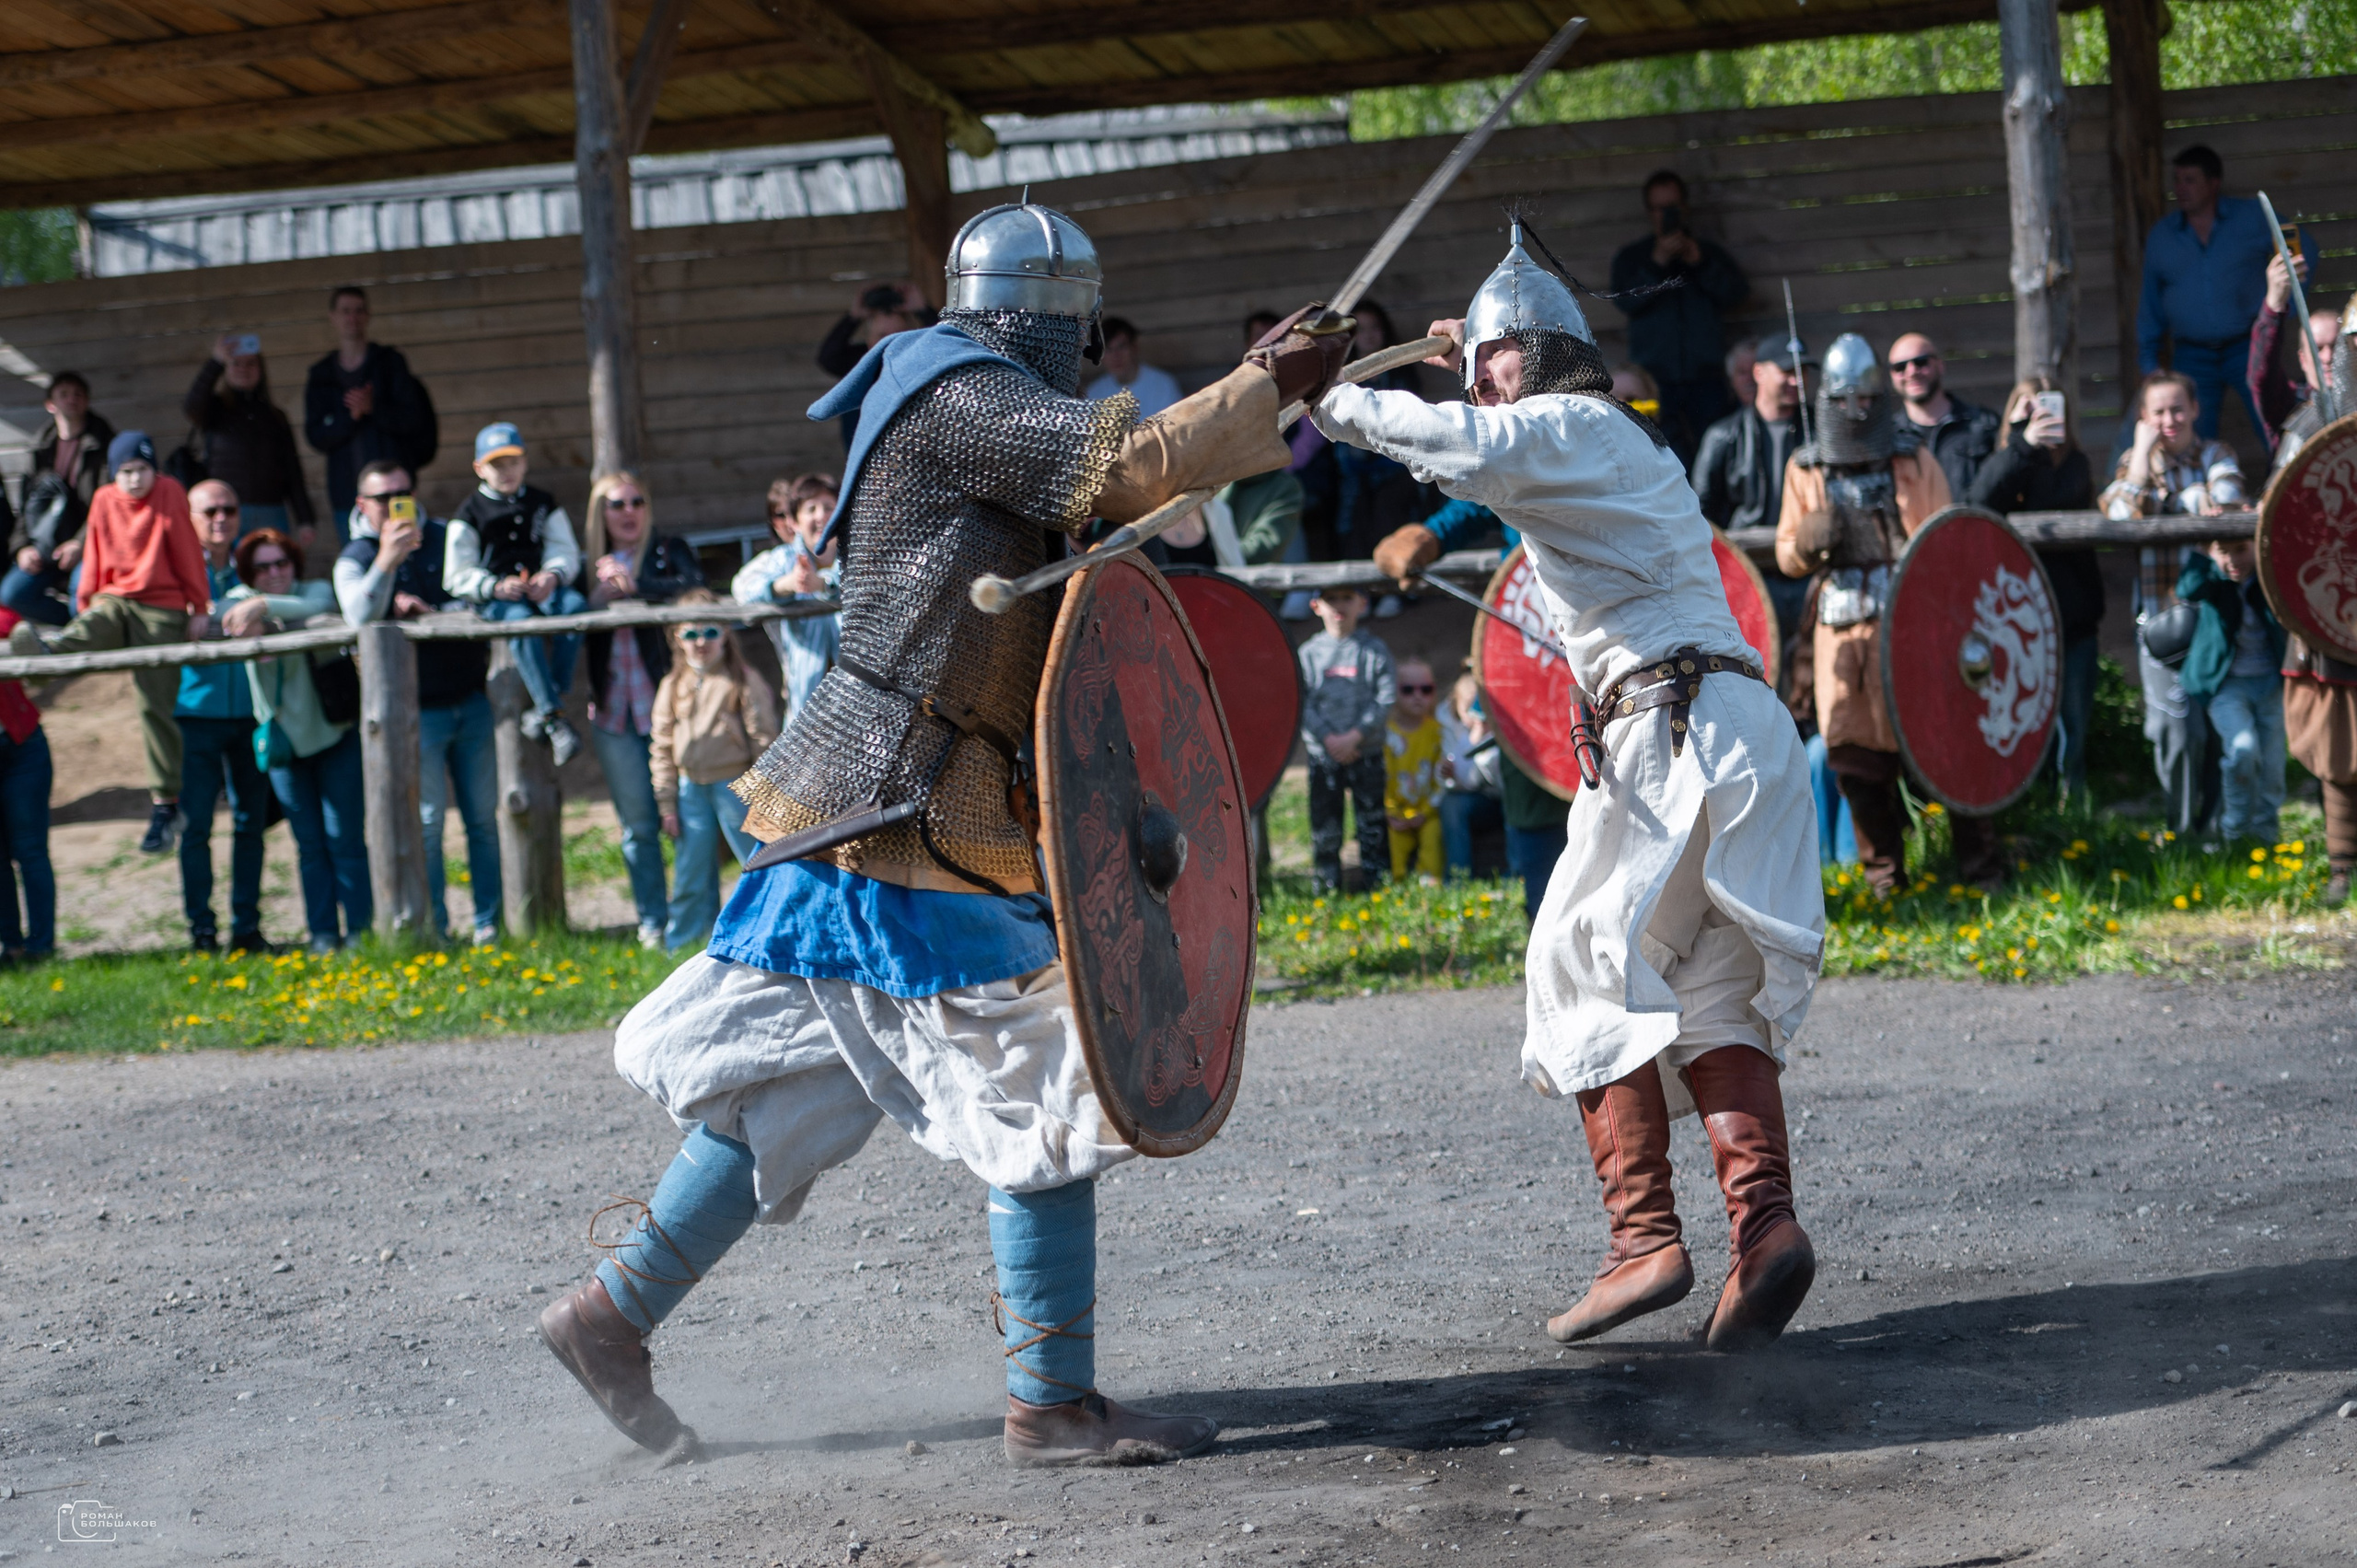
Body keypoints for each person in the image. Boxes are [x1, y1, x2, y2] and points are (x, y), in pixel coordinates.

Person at [538, 197, 1328, 1468]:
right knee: (1050, 1074)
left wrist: (1271, 395)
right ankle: (1053, 1403)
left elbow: (1105, 557)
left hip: (878, 808)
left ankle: (608, 1314)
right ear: (1045, 319)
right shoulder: (960, 393)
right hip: (903, 813)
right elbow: (1123, 466)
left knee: (793, 1089)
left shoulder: (976, 400)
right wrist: (1257, 384)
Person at [1340, 220, 1823, 1353]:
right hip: (1729, 727)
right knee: (1706, 984)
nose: (1480, 381)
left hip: (1682, 728)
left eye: (1493, 363)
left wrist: (1327, 396)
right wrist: (1468, 355)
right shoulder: (1598, 443)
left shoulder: (1570, 422)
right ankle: (1765, 1229)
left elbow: (1464, 437)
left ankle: (1642, 1239)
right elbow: (1492, 434)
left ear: (1537, 359)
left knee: (1573, 958)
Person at [1775, 333, 1978, 895]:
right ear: (1830, 404)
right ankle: (1886, 881)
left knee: (1941, 744)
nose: (1856, 410)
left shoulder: (1912, 458)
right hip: (1841, 631)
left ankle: (1980, 870)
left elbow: (1944, 539)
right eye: (1844, 401)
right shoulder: (1808, 468)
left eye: (1865, 399)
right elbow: (1789, 554)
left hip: (1912, 622)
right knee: (1854, 759)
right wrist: (1812, 542)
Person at [10, 431, 214, 856]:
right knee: (95, 621)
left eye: (141, 470)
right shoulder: (104, 499)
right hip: (115, 597)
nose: (135, 479)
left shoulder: (170, 492)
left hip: (163, 605)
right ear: (114, 473)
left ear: (153, 470)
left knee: (153, 703)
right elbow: (96, 552)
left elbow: (187, 548)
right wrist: (83, 602)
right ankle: (50, 653)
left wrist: (199, 606)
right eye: (126, 472)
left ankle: (165, 804)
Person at [335, 459, 502, 944]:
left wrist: (436, 613)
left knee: (483, 821)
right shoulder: (357, 553)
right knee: (428, 825)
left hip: (471, 698)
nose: (394, 505)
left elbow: (478, 596)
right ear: (362, 505)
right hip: (415, 715)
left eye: (402, 493)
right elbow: (356, 613)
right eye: (382, 498)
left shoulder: (448, 534)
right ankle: (437, 928)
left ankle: (489, 923)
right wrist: (387, 561)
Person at [2102, 371, 2247, 837]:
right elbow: (2122, 513)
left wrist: (2167, 501)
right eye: (2158, 412)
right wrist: (2146, 460)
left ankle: (2221, 831)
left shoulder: (2217, 455)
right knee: (2176, 733)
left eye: (2177, 409)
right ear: (2144, 418)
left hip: (2214, 622)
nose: (2170, 419)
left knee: (2217, 729)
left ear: (2194, 409)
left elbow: (2224, 504)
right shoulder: (2135, 462)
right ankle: (2184, 834)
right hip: (2161, 625)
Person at [224, 529, 366, 953]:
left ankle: (362, 931)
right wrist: (252, 609)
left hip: (333, 734)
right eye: (262, 567)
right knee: (308, 845)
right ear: (249, 572)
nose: (273, 573)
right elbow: (227, 616)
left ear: (294, 564)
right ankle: (322, 934)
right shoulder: (236, 596)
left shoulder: (314, 589)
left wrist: (263, 608)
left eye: (281, 563)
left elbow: (321, 606)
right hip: (284, 743)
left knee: (345, 839)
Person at [580, 470, 704, 947]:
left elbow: (693, 586)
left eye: (636, 502)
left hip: (670, 710)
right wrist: (594, 600)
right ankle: (653, 920)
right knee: (638, 826)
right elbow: (566, 611)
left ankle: (695, 917)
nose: (628, 512)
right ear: (601, 514)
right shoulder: (586, 562)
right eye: (617, 504)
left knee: (688, 816)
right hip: (613, 713)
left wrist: (637, 587)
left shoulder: (668, 549)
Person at [1971, 380, 2102, 803]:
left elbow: (2051, 501)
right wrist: (2018, 444)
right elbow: (1980, 503)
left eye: (2049, 408)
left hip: (2073, 617)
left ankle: (2074, 812)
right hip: (2019, 621)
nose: (2041, 417)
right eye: (2031, 409)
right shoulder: (2007, 459)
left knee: (2073, 725)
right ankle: (2032, 810)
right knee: (2026, 723)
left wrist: (2032, 453)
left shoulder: (2074, 463)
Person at [445, 422, 586, 765]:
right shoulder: (468, 513)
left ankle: (553, 698)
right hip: (499, 599)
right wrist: (492, 585)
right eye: (496, 465)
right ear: (480, 468)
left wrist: (551, 575)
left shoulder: (542, 502)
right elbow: (456, 575)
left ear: (524, 462)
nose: (506, 472)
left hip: (541, 589)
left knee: (575, 607)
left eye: (512, 462)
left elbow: (565, 550)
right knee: (521, 625)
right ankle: (553, 717)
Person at [651, 590, 779, 952]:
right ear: (678, 638)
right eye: (691, 634)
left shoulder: (741, 679)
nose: (701, 642)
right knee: (691, 869)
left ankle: (763, 934)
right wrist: (666, 803)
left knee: (754, 861)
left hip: (735, 786)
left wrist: (763, 797)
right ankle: (683, 940)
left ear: (725, 633)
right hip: (691, 788)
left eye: (709, 632)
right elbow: (661, 745)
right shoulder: (672, 685)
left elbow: (763, 739)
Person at [178, 480, 273, 954]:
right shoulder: (174, 568)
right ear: (190, 515)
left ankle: (246, 927)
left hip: (249, 713)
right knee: (195, 826)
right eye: (210, 509)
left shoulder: (253, 562)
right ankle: (200, 930)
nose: (221, 517)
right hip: (195, 711)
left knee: (249, 823)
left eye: (230, 508)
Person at [2135, 145, 2286, 443]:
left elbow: (2301, 247)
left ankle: (2286, 486)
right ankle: (2197, 490)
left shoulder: (2250, 218)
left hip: (2247, 344)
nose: (2181, 189)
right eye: (2177, 180)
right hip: (2192, 354)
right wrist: (2149, 361)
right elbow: (2150, 301)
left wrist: (2285, 303)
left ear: (2213, 183)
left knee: (2273, 423)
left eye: (2190, 180)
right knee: (2189, 434)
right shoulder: (2163, 235)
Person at [1608, 170, 1749, 462]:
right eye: (1660, 208)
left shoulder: (1708, 253)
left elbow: (1735, 294)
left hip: (1706, 379)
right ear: (1649, 212)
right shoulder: (1633, 258)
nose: (1667, 215)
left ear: (1684, 207)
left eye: (1672, 206)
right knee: (1659, 455)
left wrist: (1701, 263)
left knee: (1714, 455)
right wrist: (1657, 262)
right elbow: (1625, 302)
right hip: (1653, 380)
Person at [1690, 334, 1812, 634]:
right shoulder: (1722, 436)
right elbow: (1699, 512)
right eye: (1787, 371)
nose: (1797, 380)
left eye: (1802, 372)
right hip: (1748, 576)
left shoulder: (1818, 435)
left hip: (1808, 575)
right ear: (1760, 373)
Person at [2175, 535, 2284, 844]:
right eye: (2224, 552)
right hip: (2227, 685)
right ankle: (2235, 832)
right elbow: (2188, 589)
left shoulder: (2267, 579)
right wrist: (2199, 551)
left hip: (2270, 683)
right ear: (2211, 552)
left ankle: (2266, 837)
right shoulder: (2214, 580)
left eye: (2241, 550)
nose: (2234, 561)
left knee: (2273, 766)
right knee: (2243, 750)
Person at [302, 285, 437, 532]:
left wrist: (373, 408)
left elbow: (413, 420)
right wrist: (350, 417)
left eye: (358, 311)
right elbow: (316, 436)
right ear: (333, 316)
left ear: (368, 315)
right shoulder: (321, 374)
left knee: (405, 552)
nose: (352, 318)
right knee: (359, 557)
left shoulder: (390, 364)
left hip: (396, 492)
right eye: (345, 311)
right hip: (348, 494)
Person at [1297, 585, 1396, 892]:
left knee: (1373, 823)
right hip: (1324, 756)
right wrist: (1330, 739)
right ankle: (1326, 888)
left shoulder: (1374, 650)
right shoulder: (1307, 654)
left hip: (1365, 752)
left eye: (1346, 598)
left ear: (1362, 604)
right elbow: (1300, 701)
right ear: (1316, 606)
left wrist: (1355, 736)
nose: (1339, 606)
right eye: (1331, 600)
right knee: (1325, 826)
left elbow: (1386, 697)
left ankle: (1377, 886)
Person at [5, 371, 115, 628]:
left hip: (90, 544)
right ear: (50, 404)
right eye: (64, 394)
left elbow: (107, 505)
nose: (72, 400)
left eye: (78, 394)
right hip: (47, 545)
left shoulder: (103, 445)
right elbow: (27, 507)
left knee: (82, 597)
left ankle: (82, 630)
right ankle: (74, 629)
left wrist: (79, 543)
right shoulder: (40, 449)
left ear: (87, 401)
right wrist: (22, 548)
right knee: (12, 594)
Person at [183, 333, 316, 546]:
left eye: (251, 363)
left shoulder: (275, 417)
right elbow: (191, 407)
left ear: (260, 369)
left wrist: (305, 520)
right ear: (226, 369)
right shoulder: (216, 409)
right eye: (236, 363)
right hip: (227, 512)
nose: (244, 369)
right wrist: (216, 362)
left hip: (272, 510)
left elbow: (293, 471)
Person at [733, 473, 841, 721]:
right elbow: (744, 590)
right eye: (811, 509)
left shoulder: (858, 557)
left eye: (828, 507)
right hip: (807, 709)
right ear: (795, 521)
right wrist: (785, 585)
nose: (821, 516)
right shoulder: (784, 559)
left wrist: (824, 584)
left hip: (862, 705)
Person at [1885, 332, 2001, 505]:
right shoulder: (1887, 437)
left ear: (1940, 365)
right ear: (1892, 375)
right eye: (1900, 367)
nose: (1912, 372)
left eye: (1921, 362)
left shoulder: (1984, 425)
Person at [0, 607, 54, 961]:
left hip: (22, 747)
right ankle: (10, 946)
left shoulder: (3, 618)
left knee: (31, 851)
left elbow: (19, 632)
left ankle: (41, 948)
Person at [2256, 279, 2351, 469]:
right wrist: (2273, 307)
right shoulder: (2289, 404)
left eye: (2336, 346)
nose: (2328, 357)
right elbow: (2263, 375)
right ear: (2303, 359)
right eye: (2318, 349)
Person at [1384, 657, 1446, 884]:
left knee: (1434, 833)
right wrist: (1390, 812)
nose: (1418, 696)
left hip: (1427, 811)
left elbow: (1441, 778)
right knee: (1391, 841)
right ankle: (1396, 883)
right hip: (1395, 813)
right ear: (1394, 692)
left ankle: (1430, 880)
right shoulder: (1386, 735)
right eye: (1408, 690)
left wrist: (1427, 811)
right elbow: (1383, 778)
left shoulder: (1438, 733)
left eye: (1426, 689)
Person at [1437, 669, 1501, 879]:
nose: (1476, 719)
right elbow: (1468, 781)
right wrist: (1451, 776)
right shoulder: (1461, 737)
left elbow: (1498, 779)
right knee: (1451, 804)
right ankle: (1459, 876)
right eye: (1468, 711)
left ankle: (1516, 869)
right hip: (1481, 803)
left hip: (1506, 803)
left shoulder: (1501, 733)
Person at [1083, 317, 1181, 417]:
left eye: (1121, 347)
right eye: (1108, 350)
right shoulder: (1095, 393)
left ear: (1134, 347)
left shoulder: (1163, 385)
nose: (1116, 356)